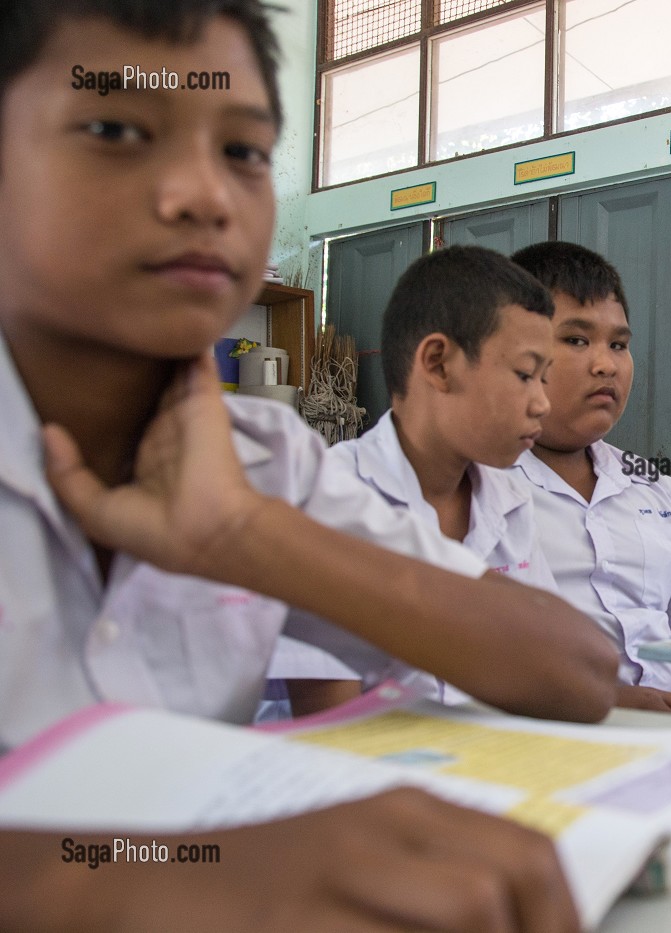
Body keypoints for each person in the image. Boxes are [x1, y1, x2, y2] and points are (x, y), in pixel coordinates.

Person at [0, 2, 615, 928]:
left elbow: (572, 668)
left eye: (244, 152)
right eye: (116, 129)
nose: (202, 194)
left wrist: (249, 535)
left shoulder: (265, 459)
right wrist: (182, 871)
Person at [274, 245, 558, 714]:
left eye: (543, 379)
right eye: (525, 374)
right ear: (438, 364)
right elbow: (331, 726)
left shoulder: (508, 500)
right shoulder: (329, 498)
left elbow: (541, 658)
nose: (542, 404)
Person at [511, 241, 671, 714]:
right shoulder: (476, 487)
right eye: (576, 340)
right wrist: (608, 705)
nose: (606, 364)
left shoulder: (648, 483)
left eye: (619, 345)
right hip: (547, 734)